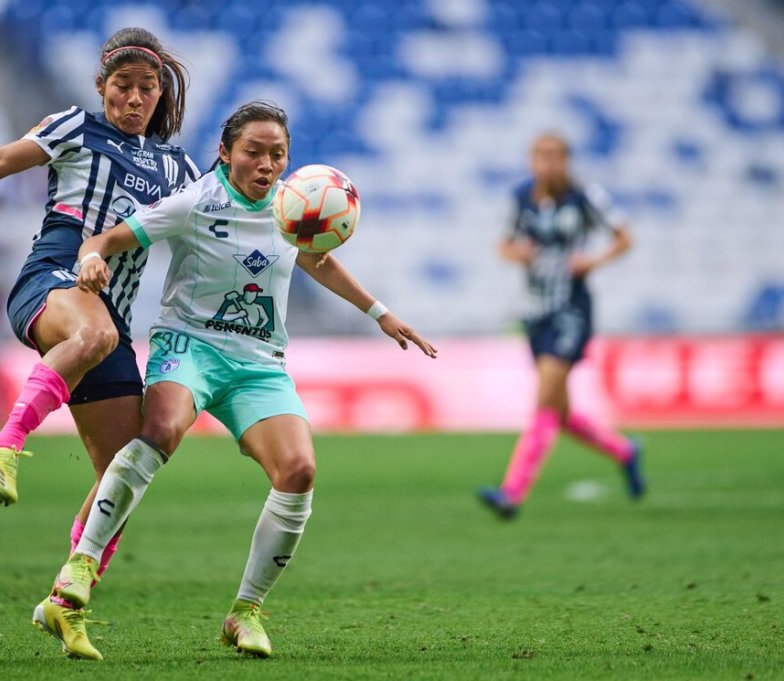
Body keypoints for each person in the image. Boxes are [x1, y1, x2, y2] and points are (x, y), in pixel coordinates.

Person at [33, 101, 437, 660]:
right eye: (254, 152)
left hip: (258, 362)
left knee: (298, 471)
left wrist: (379, 313)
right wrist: (90, 259)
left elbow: (315, 258)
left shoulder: (291, 207)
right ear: (226, 152)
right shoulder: (194, 202)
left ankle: (245, 612)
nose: (266, 164)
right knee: (161, 432)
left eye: (278, 155)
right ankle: (79, 570)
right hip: (189, 347)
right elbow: (105, 240)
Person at [0, 25, 196, 632]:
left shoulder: (178, 168)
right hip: (50, 281)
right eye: (122, 87)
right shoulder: (76, 127)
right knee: (96, 335)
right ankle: (3, 446)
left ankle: (64, 601)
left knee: (123, 477)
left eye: (146, 89)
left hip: (111, 318)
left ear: (162, 93)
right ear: (101, 87)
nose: (133, 99)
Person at [478, 133, 645, 520]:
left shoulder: (585, 196)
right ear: (531, 160)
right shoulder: (520, 198)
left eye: (555, 156)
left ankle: (512, 493)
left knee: (544, 396)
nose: (547, 163)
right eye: (540, 156)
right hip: (535, 311)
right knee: (560, 410)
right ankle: (625, 451)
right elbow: (502, 245)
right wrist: (517, 252)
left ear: (567, 161)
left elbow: (624, 237)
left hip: (571, 308)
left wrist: (594, 260)